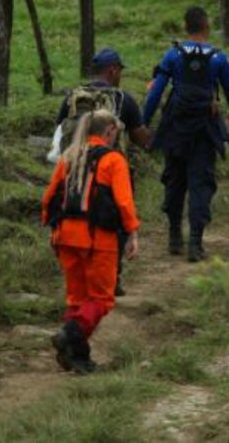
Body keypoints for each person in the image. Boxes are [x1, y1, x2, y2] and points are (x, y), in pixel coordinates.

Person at [42, 109, 140, 374]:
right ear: (109, 130)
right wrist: (132, 233)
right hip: (98, 239)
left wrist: (53, 231)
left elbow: (49, 198)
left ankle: (78, 357)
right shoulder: (113, 160)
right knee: (101, 299)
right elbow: (124, 202)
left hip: (65, 237)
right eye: (116, 133)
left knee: (78, 299)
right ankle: (69, 335)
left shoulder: (69, 157)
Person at [143, 6, 229, 262]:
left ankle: (175, 236)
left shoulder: (173, 55)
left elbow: (156, 92)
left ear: (185, 28)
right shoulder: (218, 58)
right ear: (207, 27)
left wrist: (144, 121)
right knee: (201, 182)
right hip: (204, 129)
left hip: (175, 126)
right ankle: (195, 243)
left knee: (174, 179)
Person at [53, 47, 150, 297]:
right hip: (110, 171)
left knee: (79, 217)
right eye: (120, 71)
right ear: (113, 70)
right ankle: (111, 276)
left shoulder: (72, 97)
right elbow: (141, 138)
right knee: (113, 221)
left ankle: (82, 274)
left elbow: (60, 130)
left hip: (75, 171)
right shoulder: (123, 99)